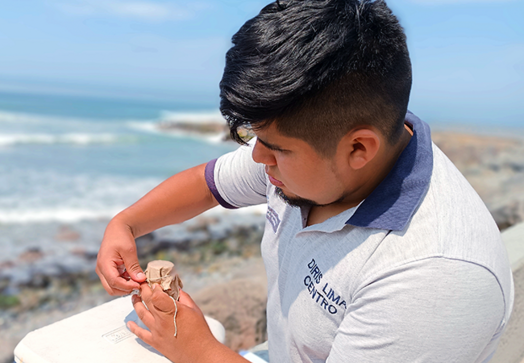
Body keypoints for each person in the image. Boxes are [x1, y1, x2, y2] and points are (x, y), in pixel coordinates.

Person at [95, 0, 514, 362]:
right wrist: (126, 224)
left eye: (275, 147)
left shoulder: (435, 280)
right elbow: (210, 184)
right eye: (252, 137)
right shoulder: (309, 160)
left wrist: (199, 351)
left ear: (358, 149)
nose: (257, 157)